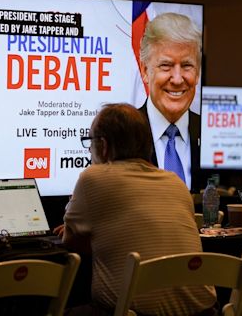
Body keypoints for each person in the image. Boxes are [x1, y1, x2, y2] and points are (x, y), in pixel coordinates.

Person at [61, 103, 217, 315]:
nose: (89, 150)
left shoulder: (93, 177)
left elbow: (71, 242)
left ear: (103, 146)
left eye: (90, 143)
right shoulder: (176, 182)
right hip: (203, 312)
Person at [139, 12, 202, 192]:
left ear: (197, 73)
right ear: (145, 70)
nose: (177, 79)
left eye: (186, 66)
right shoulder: (122, 135)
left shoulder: (212, 136)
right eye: (165, 66)